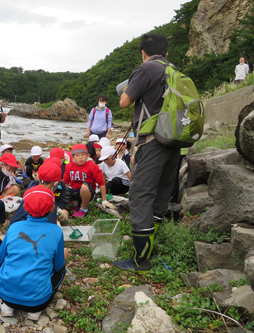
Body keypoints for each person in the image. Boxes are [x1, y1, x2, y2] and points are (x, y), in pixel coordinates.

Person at [114, 33, 181, 272]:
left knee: (141, 195)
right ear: (166, 52)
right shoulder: (174, 71)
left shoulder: (146, 69)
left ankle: (140, 260)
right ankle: (150, 248)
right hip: (173, 142)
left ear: (143, 53)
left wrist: (128, 88)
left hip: (152, 142)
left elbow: (124, 102)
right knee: (161, 195)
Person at [0, 185, 67, 320]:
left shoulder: (14, 227)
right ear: (52, 209)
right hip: (38, 302)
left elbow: (0, 258)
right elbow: (58, 266)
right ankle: (34, 313)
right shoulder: (56, 231)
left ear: (24, 207)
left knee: (6, 259)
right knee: (63, 259)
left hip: (6, 296)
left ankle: (7, 307)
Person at [10, 158, 69, 226]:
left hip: (17, 228)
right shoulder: (49, 200)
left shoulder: (29, 192)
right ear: (56, 183)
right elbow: (49, 227)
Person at [63, 144, 114, 218]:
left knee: (84, 186)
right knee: (59, 190)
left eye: (83, 154)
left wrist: (104, 200)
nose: (80, 157)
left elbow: (101, 183)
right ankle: (74, 203)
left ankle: (83, 208)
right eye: (77, 155)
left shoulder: (93, 166)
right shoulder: (69, 166)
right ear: (73, 157)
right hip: (75, 191)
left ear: (87, 156)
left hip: (87, 192)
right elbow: (66, 183)